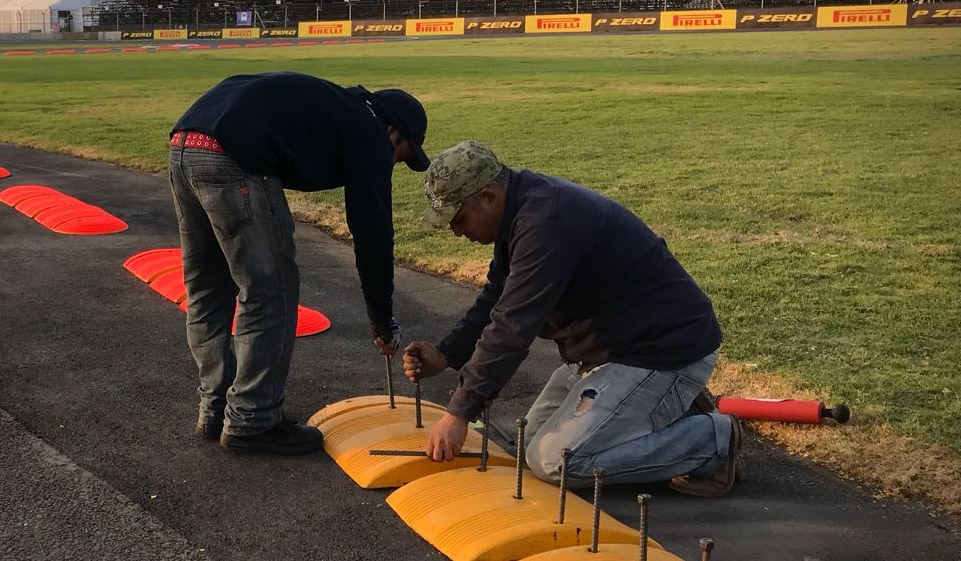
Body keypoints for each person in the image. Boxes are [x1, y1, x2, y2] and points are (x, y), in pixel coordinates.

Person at [401, 141, 741, 496]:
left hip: (661, 352)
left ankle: (711, 441)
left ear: (487, 197)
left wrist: (459, 413)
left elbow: (512, 328)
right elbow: (498, 297)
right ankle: (666, 412)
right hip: (607, 354)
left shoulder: (546, 223)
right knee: (525, 445)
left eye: (459, 219)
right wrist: (447, 353)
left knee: (557, 463)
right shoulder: (521, 210)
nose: (457, 232)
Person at [169, 72, 430, 455]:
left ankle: (218, 406)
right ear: (394, 131)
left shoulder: (340, 109)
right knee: (269, 291)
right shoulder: (370, 132)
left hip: (184, 144)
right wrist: (382, 318)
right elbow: (372, 233)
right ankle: (253, 419)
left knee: (207, 287)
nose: (390, 163)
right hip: (235, 157)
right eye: (400, 155)